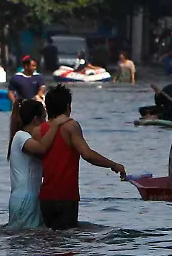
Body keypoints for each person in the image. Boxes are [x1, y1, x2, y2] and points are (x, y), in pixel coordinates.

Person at [38, 85, 126, 229]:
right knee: (66, 244)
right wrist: (113, 164)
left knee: (49, 243)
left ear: (47, 108)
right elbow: (88, 154)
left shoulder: (39, 130)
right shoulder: (71, 126)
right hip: (66, 196)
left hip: (45, 196)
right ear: (68, 107)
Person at [8, 99, 68, 230]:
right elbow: (42, 148)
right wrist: (55, 124)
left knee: (28, 242)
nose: (46, 122)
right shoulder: (21, 136)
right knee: (26, 240)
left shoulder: (26, 138)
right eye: (44, 118)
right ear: (36, 120)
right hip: (25, 198)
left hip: (30, 198)